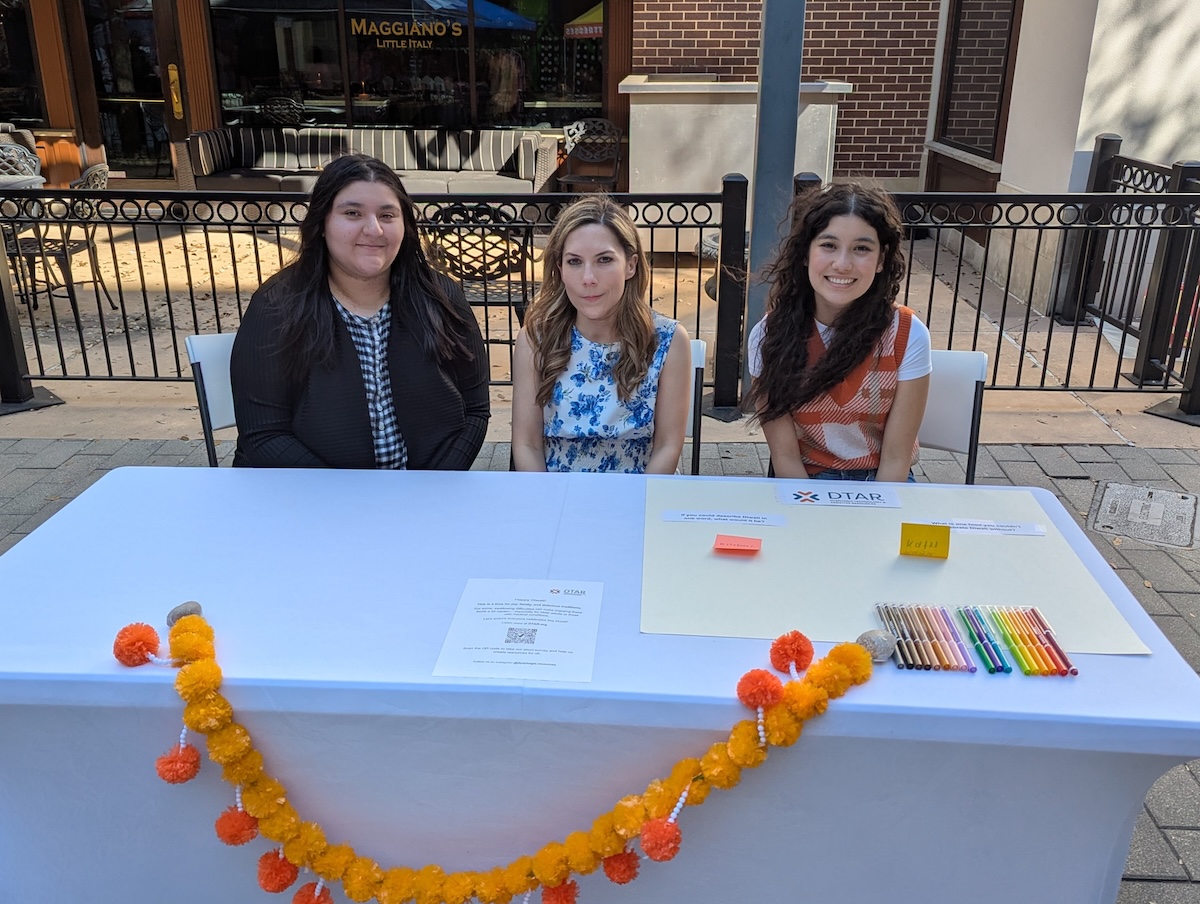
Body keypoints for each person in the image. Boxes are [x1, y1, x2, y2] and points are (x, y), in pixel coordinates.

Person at [230, 154, 489, 469]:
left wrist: (433, 487)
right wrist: (354, 501)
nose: (374, 230)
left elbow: (475, 411)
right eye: (352, 213)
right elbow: (264, 434)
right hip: (311, 499)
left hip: (424, 496)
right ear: (322, 223)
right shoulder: (277, 306)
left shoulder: (441, 296)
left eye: (387, 215)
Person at [748, 182, 931, 482]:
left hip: (883, 479)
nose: (843, 264)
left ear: (882, 260)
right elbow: (785, 457)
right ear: (805, 253)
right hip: (806, 479)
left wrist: (875, 517)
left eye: (861, 248)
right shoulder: (769, 337)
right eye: (829, 245)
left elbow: (896, 458)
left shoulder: (908, 334)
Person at [511, 195, 691, 473]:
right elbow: (527, 444)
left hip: (641, 495)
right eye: (574, 262)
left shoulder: (669, 340)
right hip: (555, 497)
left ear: (630, 265)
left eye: (604, 260)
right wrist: (546, 506)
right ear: (559, 269)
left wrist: (635, 509)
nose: (588, 278)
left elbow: (668, 445)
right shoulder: (535, 339)